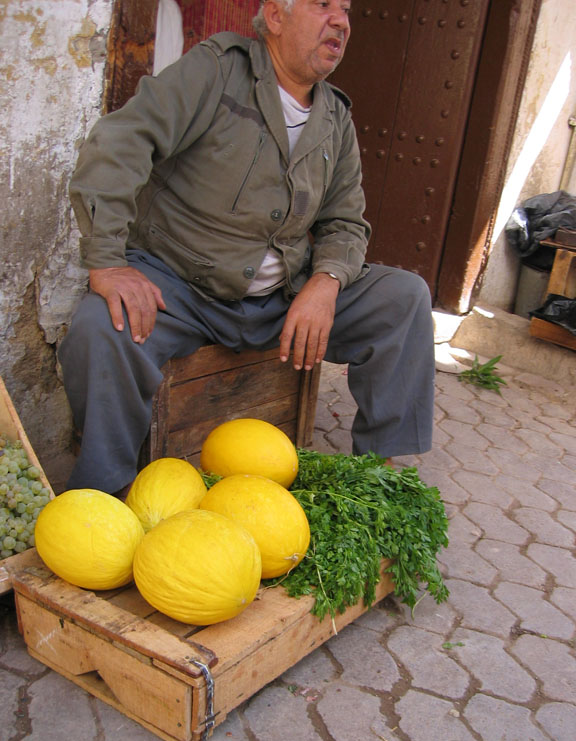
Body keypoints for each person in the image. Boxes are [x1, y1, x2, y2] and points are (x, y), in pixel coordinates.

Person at [59, 0, 435, 497]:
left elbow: (346, 221)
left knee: (404, 297)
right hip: (183, 289)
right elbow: (119, 143)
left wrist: (325, 284)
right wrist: (106, 260)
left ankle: (380, 480)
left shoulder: (334, 118)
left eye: (345, 11)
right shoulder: (215, 71)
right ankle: (103, 501)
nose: (341, 21)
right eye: (324, 5)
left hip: (282, 299)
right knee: (100, 329)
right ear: (276, 17)